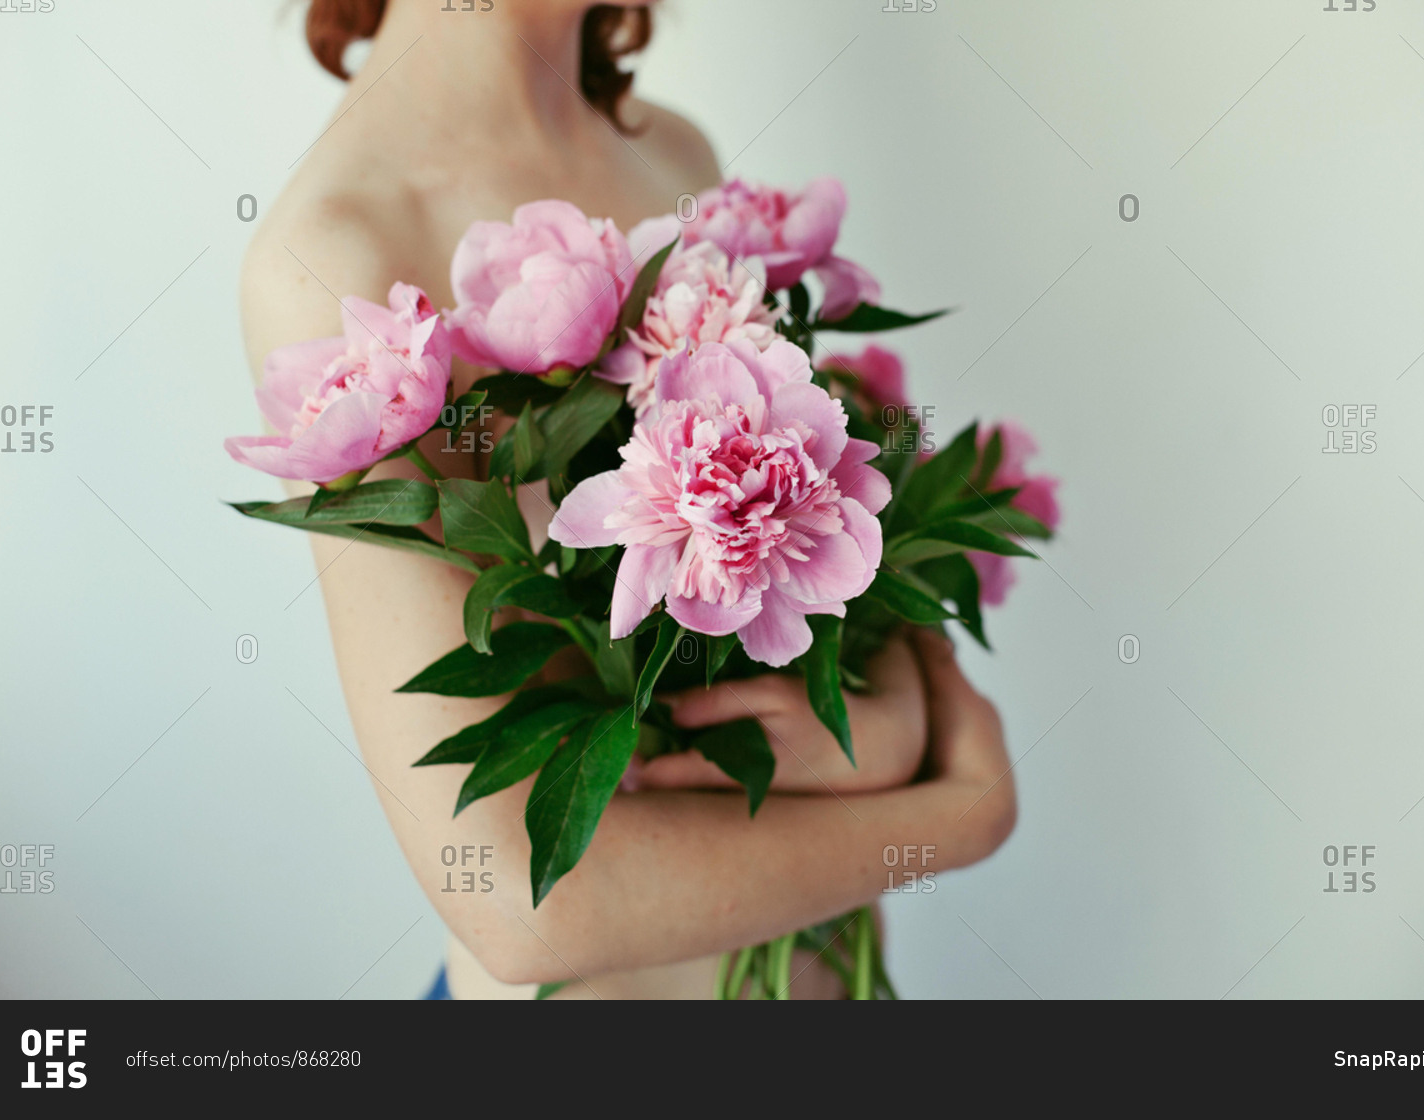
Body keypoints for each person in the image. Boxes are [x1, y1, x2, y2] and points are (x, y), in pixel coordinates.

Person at [240, 0, 1016, 998]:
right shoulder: (339, 247)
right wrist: (961, 816)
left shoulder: (672, 150)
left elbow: (817, 590)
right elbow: (529, 906)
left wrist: (892, 722)